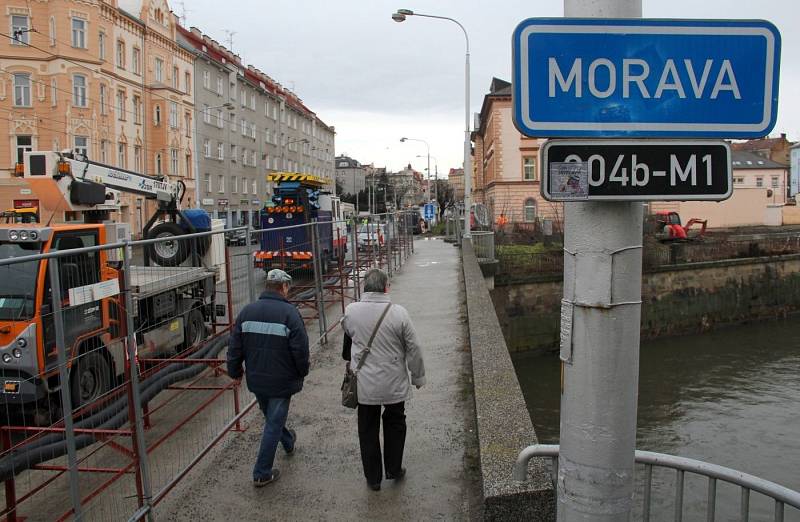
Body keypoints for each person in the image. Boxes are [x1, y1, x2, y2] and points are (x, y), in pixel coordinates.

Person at [341, 268, 426, 491]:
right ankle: (394, 468)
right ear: (386, 287)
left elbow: (348, 335)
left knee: (367, 428)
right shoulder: (399, 313)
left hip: (365, 385)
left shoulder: (351, 311)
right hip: (393, 382)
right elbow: (414, 347)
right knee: (395, 423)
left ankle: (373, 478)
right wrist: (417, 376)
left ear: (364, 288)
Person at [228, 269, 309, 487]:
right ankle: (262, 472)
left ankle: (289, 441)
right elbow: (300, 349)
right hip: (282, 382)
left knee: (273, 418)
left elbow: (235, 347)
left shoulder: (246, 312)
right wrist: (302, 371)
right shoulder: (290, 314)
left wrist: (235, 372)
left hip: (257, 381)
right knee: (273, 422)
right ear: (283, 287)